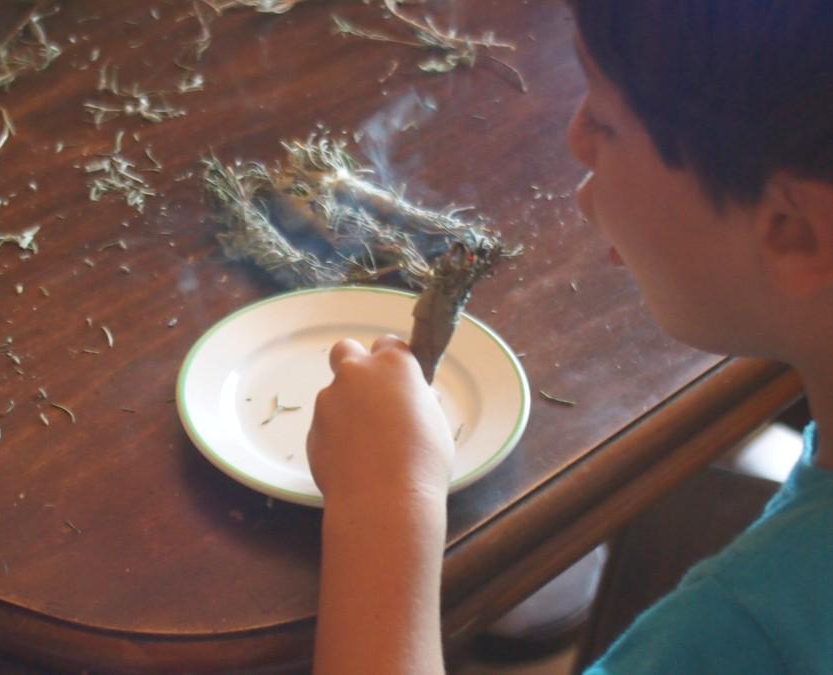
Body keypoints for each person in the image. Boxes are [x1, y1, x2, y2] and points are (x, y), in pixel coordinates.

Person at [306, 1, 833, 673]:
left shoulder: (746, 637)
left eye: (606, 123)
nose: (576, 137)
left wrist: (383, 507)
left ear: (793, 230)